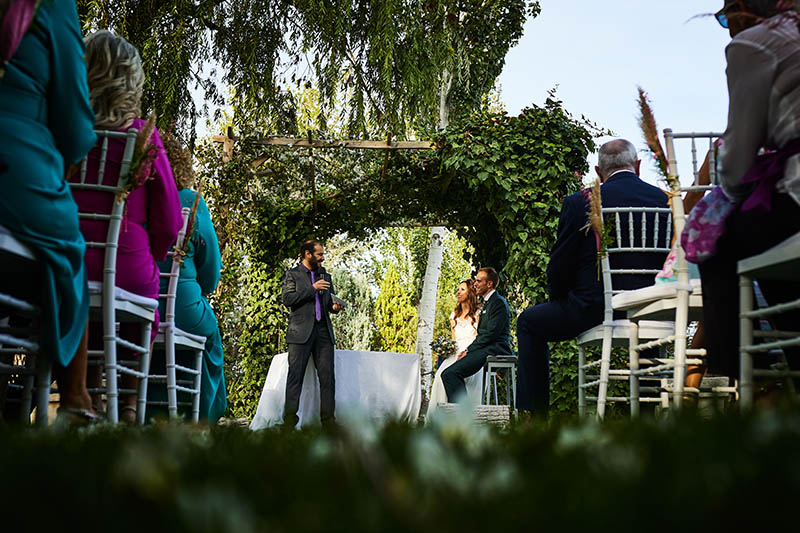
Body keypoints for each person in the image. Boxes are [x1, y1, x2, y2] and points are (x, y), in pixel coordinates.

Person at [71, 30, 183, 422]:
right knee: (141, 294)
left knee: (79, 292)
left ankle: (84, 393)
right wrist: (148, 258)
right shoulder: (144, 137)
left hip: (65, 261)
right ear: (131, 81)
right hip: (128, 263)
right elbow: (169, 220)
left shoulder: (66, 130)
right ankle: (131, 400)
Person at [516, 139, 670, 417]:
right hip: (651, 310)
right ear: (637, 166)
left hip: (593, 309)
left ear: (599, 172)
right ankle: (648, 416)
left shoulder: (580, 202)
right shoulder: (665, 201)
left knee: (528, 322)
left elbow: (559, 266)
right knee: (648, 324)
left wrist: (561, 301)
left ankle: (535, 420)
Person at [0, 0, 98, 423]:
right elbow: (76, 131)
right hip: (16, 170)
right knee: (68, 254)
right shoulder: (51, 5)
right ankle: (75, 399)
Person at [696, 0, 800, 383]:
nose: (727, 29)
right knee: (767, 249)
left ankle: (737, 380)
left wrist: (731, 198)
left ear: (742, 11)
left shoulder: (754, 43)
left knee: (718, 243)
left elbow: (737, 155)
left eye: (725, 19)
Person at [150, 132, 227, 424]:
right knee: (210, 337)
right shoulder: (190, 202)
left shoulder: (136, 197)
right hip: (182, 305)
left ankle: (150, 411)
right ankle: (201, 417)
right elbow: (210, 273)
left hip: (134, 302)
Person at [281, 240, 343, 428]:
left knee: (327, 379)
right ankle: (289, 423)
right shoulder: (292, 275)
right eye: (319, 254)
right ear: (307, 254)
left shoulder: (325, 276)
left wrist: (334, 307)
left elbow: (327, 304)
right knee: (295, 378)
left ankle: (328, 422)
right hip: (300, 333)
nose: (323, 257)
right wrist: (312, 288)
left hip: (323, 332)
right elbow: (288, 299)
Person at [441, 267, 512, 403]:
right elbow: (483, 335)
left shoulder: (498, 303)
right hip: (486, 347)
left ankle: (462, 417)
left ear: (489, 284)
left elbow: (490, 335)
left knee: (450, 374)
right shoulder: (488, 303)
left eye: (479, 281)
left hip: (495, 348)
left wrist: (469, 350)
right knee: (448, 373)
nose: (475, 284)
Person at [427, 280, 482, 417]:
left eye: (462, 289)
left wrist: (470, 351)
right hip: (456, 352)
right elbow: (454, 339)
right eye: (458, 289)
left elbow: (480, 338)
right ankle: (443, 417)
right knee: (440, 376)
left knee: (465, 378)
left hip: (471, 352)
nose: (458, 292)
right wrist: (445, 349)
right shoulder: (454, 315)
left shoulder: (478, 314)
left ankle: (465, 415)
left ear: (470, 292)